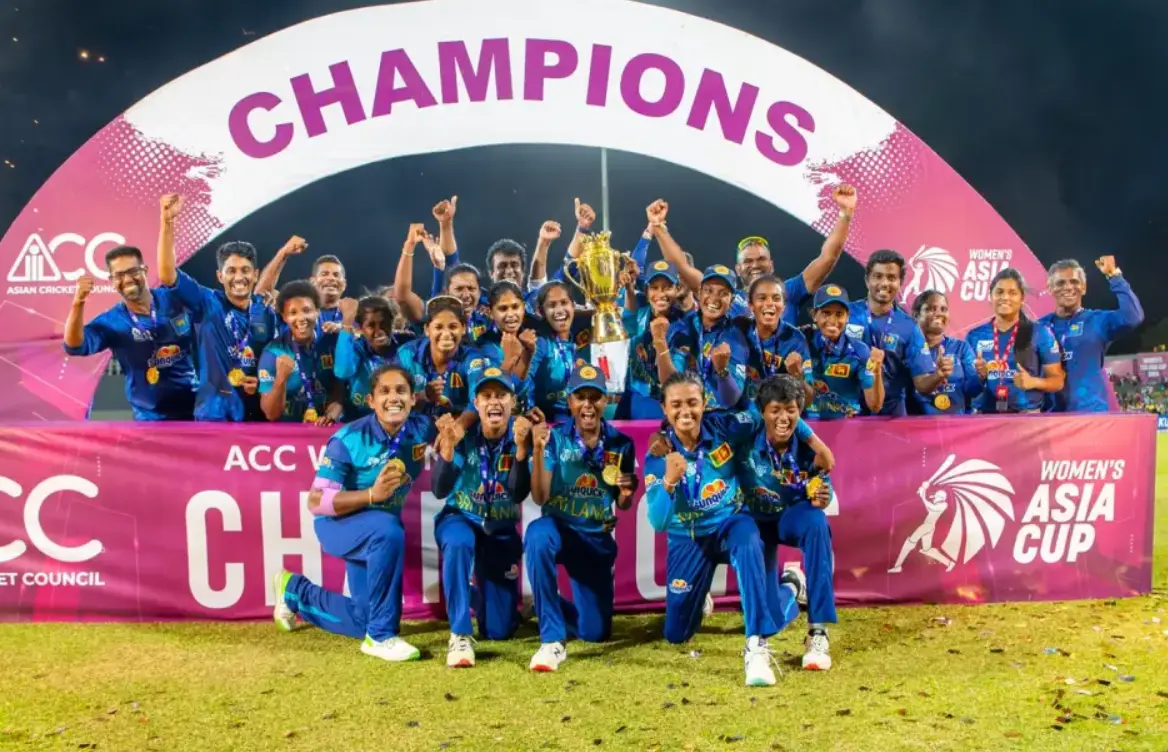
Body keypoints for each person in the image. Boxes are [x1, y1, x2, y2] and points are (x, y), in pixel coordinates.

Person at [271, 364, 439, 662]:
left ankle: (294, 591)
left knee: (364, 618)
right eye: (384, 392)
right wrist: (372, 495)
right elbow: (316, 501)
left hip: (376, 531)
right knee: (388, 530)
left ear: (414, 399)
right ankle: (381, 638)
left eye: (401, 391)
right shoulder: (348, 439)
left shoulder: (421, 428)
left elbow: (461, 421)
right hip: (338, 525)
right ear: (371, 401)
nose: (393, 398)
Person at [641, 371, 782, 687]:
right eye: (676, 405)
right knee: (676, 635)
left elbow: (762, 413)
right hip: (687, 538)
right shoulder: (658, 454)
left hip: (729, 524)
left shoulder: (723, 429)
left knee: (747, 537)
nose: (685, 411)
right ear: (664, 410)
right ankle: (698, 596)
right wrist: (670, 481)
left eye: (693, 402)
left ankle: (756, 645)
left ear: (705, 403)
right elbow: (659, 523)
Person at [524, 364, 638, 672]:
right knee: (536, 533)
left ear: (606, 400)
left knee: (595, 634)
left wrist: (626, 495)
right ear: (569, 401)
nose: (587, 405)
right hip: (560, 531)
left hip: (595, 540)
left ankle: (549, 606)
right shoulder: (555, 439)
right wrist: (536, 450)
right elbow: (540, 497)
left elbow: (623, 503)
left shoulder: (620, 443)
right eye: (580, 397)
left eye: (594, 397)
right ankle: (551, 640)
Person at [431, 367, 533, 667]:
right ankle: (459, 635)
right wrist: (447, 451)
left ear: (512, 402)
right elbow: (439, 489)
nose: (494, 402)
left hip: (500, 531)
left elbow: (518, 493)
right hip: (460, 518)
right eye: (486, 396)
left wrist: (522, 451)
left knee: (499, 631)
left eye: (501, 395)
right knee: (459, 542)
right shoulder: (462, 435)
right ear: (476, 404)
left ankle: (476, 594)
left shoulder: (519, 434)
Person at [645, 187, 856, 324]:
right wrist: (658, 227)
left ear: (771, 265)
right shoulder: (723, 296)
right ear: (737, 269)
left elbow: (827, 258)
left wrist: (845, 214)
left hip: (781, 389)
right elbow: (681, 267)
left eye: (761, 259)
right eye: (748, 261)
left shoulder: (789, 291)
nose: (755, 265)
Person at [742, 375, 838, 671]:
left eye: (791, 410)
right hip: (755, 522)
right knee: (772, 619)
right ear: (762, 412)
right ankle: (792, 588)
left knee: (817, 522)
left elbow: (824, 480)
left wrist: (824, 494)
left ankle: (818, 632)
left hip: (789, 517)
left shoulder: (808, 447)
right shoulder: (745, 436)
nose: (784, 418)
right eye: (775, 410)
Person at [63, 210, 197, 421]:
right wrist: (78, 302)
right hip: (150, 419)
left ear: (145, 271)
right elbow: (74, 346)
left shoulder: (175, 300)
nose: (128, 279)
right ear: (111, 280)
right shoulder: (112, 322)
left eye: (133, 271)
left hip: (197, 411)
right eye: (119, 275)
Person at [155, 195, 279, 422]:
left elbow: (277, 362)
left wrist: (263, 383)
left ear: (256, 274)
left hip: (256, 417)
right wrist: (167, 222)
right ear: (219, 276)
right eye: (231, 271)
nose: (239, 277)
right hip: (213, 415)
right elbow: (167, 274)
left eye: (245, 270)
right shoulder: (206, 301)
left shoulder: (267, 313)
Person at [1039, 257, 1144, 412]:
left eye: (1074, 282)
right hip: (1051, 418)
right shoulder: (1039, 327)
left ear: (1084, 287)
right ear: (1049, 288)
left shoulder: (1097, 321)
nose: (1068, 287)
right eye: (1060, 283)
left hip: (1091, 417)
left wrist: (1114, 276)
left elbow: (1133, 316)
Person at [845, 250, 942, 415]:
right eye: (878, 276)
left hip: (892, 416)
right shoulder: (846, 315)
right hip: (849, 412)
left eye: (891, 277)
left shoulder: (909, 326)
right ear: (867, 280)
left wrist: (938, 375)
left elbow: (921, 384)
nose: (884, 283)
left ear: (900, 282)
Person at [965, 268, 1065, 413]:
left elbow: (1057, 381)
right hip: (985, 419)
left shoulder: (1040, 333)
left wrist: (1033, 382)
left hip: (1026, 418)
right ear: (990, 296)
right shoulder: (975, 336)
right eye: (999, 292)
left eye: (1012, 293)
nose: (1005, 297)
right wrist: (979, 377)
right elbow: (967, 389)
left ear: (1022, 298)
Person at [657, 266, 749, 411]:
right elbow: (669, 383)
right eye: (708, 290)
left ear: (731, 301)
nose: (714, 298)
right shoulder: (681, 327)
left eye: (723, 293)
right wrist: (660, 343)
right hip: (685, 413)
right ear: (699, 293)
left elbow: (731, 399)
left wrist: (722, 371)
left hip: (720, 420)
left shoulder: (736, 338)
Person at [257, 280, 342, 424]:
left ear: (317, 312)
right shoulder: (273, 352)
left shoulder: (329, 344)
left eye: (307, 310)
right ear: (284, 317)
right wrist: (281, 379)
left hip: (322, 431)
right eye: (293, 313)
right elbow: (271, 414)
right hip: (288, 435)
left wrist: (331, 415)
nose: (301, 318)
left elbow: (338, 391)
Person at [396, 295, 487, 419]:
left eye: (453, 327)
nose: (446, 334)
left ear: (463, 329)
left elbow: (479, 399)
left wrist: (457, 429)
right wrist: (423, 396)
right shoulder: (406, 355)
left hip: (460, 430)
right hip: (415, 431)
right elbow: (394, 401)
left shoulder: (472, 358)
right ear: (427, 329)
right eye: (438, 327)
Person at [803, 285, 884, 418]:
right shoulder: (801, 343)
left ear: (848, 317)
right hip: (810, 428)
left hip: (848, 428)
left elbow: (875, 406)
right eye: (826, 313)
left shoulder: (860, 350)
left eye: (839, 314)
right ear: (814, 315)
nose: (833, 320)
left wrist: (877, 369)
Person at [618, 260, 683, 419]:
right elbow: (629, 316)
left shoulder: (684, 326)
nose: (661, 294)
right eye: (654, 288)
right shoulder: (641, 312)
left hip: (664, 401)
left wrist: (660, 341)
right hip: (634, 397)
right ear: (646, 292)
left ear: (677, 290)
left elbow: (673, 380)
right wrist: (629, 288)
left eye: (667, 287)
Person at [521, 280, 591, 422]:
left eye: (564, 303)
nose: (559, 310)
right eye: (552, 305)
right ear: (541, 311)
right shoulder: (540, 343)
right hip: (548, 421)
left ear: (573, 305)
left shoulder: (576, 340)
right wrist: (529, 409)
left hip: (576, 418)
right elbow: (526, 379)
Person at [741, 274, 812, 410]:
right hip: (745, 414)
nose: (769, 303)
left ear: (784, 306)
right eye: (762, 298)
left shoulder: (796, 340)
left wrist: (798, 376)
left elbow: (808, 401)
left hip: (779, 414)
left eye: (776, 298)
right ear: (751, 305)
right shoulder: (739, 330)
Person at [911, 290, 983, 414]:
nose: (939, 313)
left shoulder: (961, 348)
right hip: (918, 427)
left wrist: (981, 377)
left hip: (957, 427)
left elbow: (972, 391)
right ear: (916, 315)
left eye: (943, 309)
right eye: (931, 309)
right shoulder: (908, 349)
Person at [334, 295, 400, 420]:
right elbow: (343, 372)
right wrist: (347, 323)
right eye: (371, 325)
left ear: (393, 322)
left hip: (394, 420)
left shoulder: (404, 348)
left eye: (384, 324)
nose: (379, 330)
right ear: (360, 328)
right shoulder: (357, 348)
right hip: (358, 420)